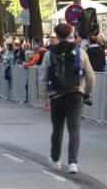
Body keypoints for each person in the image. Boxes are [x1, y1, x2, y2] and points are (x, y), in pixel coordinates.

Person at [40, 23, 95, 175]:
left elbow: (42, 78)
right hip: (76, 94)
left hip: (56, 95)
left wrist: (44, 99)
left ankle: (55, 160)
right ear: (70, 33)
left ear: (56, 36)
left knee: (57, 128)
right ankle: (72, 163)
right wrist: (87, 93)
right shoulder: (80, 53)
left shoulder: (49, 54)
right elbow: (91, 77)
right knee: (74, 129)